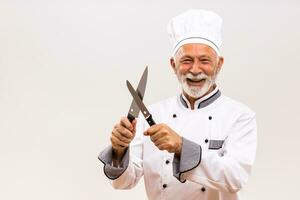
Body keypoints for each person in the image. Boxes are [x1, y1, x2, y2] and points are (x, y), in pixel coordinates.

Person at [98, 9, 257, 200]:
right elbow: (124, 182)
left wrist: (181, 146)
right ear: (173, 65)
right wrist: (119, 149)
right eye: (186, 60)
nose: (195, 69)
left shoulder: (240, 116)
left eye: (204, 60)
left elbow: (234, 177)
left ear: (219, 64)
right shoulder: (154, 113)